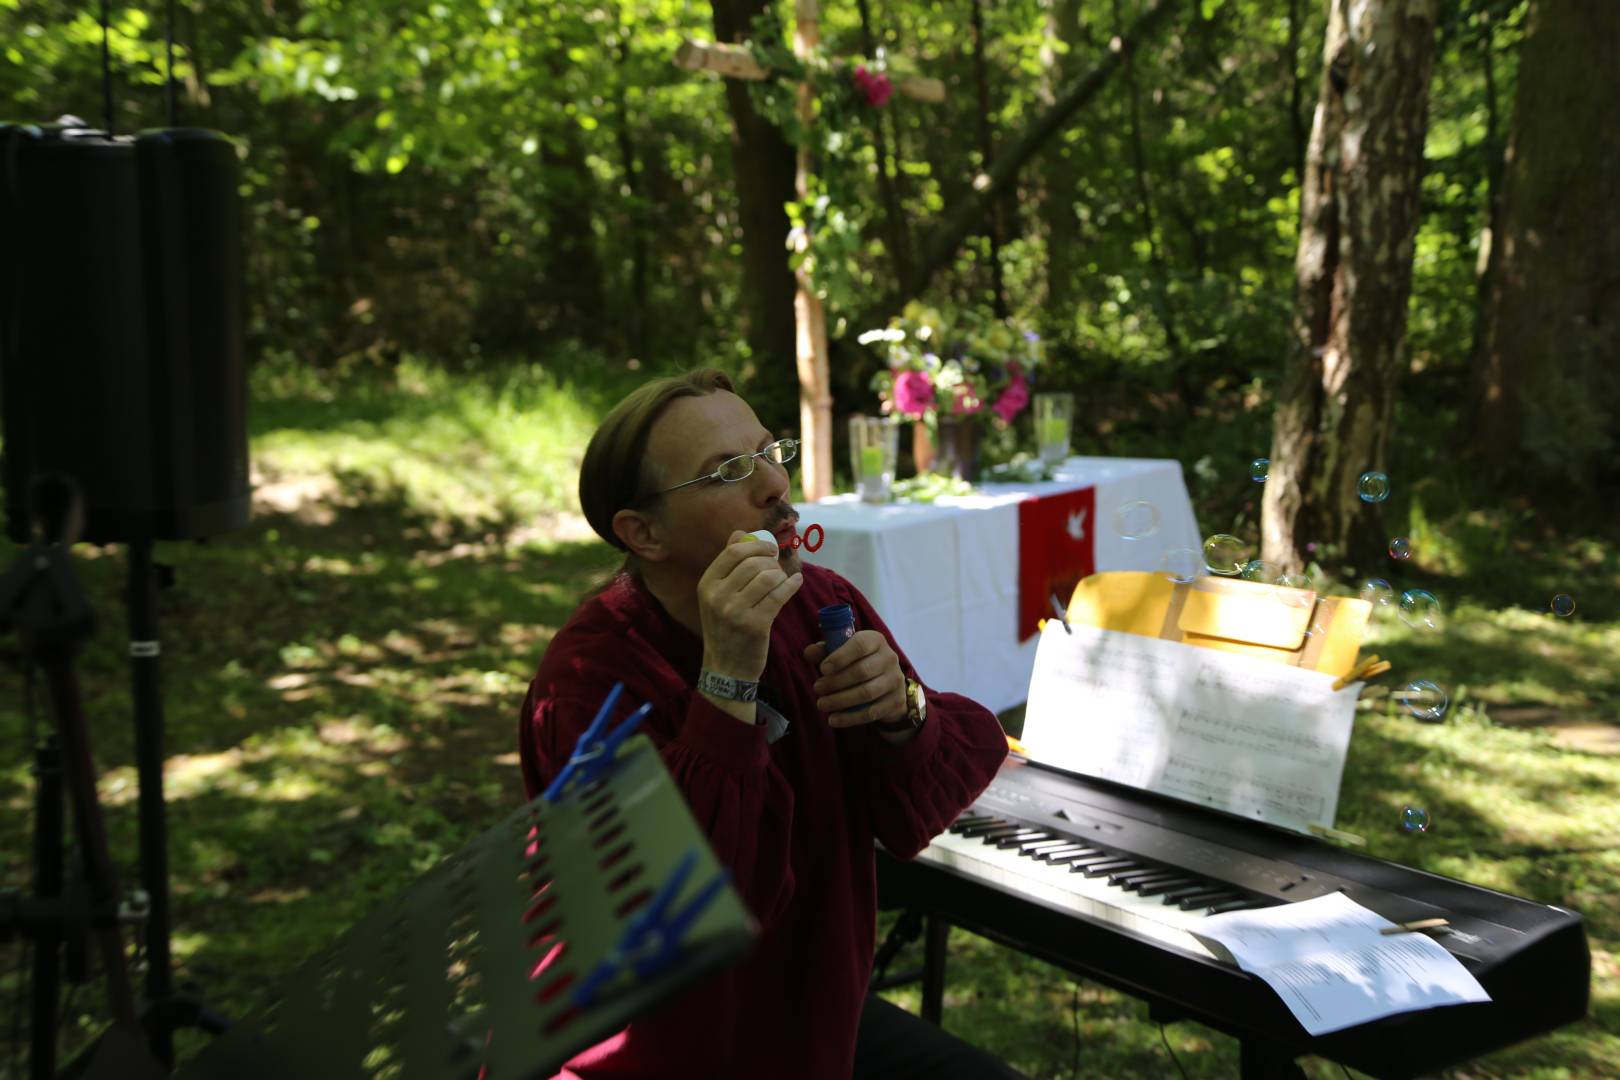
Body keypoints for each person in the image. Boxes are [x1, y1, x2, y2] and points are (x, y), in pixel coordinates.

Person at [518, 369, 1021, 1078]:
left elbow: (924, 806)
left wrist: (903, 712)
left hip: (809, 1022)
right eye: (727, 471)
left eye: (769, 451)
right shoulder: (588, 683)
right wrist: (727, 677)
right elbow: (689, 919)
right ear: (643, 533)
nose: (773, 486)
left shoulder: (818, 600)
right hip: (653, 1053)